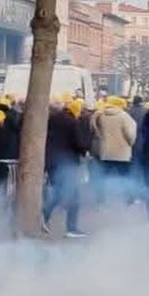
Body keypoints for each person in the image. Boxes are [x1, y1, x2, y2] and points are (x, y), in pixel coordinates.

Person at [43, 99, 89, 237]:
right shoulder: (72, 122)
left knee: (58, 192)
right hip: (67, 162)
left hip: (51, 161)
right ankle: (71, 228)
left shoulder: (51, 119)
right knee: (73, 195)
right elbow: (78, 143)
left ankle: (43, 216)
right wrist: (84, 151)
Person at [93, 95, 138, 204]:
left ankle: (100, 198)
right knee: (126, 177)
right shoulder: (124, 117)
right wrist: (130, 143)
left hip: (106, 152)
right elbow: (130, 134)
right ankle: (129, 199)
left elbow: (96, 130)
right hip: (122, 152)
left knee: (103, 177)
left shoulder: (100, 115)